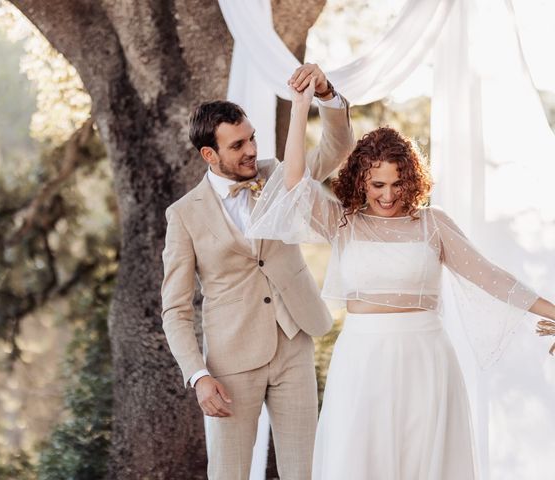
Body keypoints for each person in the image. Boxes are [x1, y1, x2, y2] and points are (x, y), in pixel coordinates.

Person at [246, 78, 555, 479]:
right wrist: (301, 105)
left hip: (426, 359)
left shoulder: (433, 224)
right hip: (362, 360)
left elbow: (491, 277)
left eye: (397, 184)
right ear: (360, 180)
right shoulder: (343, 223)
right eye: (377, 185)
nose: (388, 196)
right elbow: (293, 182)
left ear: (411, 180)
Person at [160, 63, 354, 479]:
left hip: (294, 341)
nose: (250, 150)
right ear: (209, 155)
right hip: (230, 364)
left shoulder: (282, 175)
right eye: (237, 145)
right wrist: (198, 376)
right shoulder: (183, 216)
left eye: (251, 138)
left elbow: (337, 149)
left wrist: (326, 94)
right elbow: (175, 310)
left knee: (303, 471)